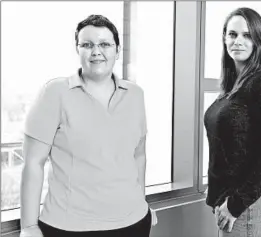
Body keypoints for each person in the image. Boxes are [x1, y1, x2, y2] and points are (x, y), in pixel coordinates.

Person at [19, 14, 157, 237]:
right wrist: (28, 226)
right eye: (87, 45)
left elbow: (138, 156)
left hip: (135, 223)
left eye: (105, 44)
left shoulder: (135, 94)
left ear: (117, 51)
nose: (96, 51)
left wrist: (141, 203)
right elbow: (34, 162)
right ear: (78, 49)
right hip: (70, 227)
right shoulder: (55, 93)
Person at [204, 7, 261, 237]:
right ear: (224, 39)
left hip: (250, 204)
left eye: (247, 35)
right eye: (232, 34)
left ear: (258, 40)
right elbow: (229, 146)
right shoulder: (234, 85)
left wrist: (235, 204)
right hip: (234, 201)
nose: (238, 41)